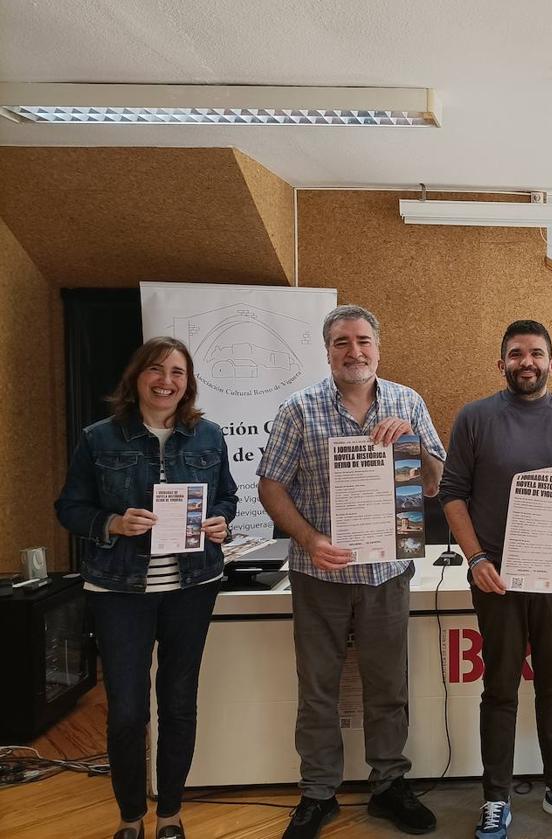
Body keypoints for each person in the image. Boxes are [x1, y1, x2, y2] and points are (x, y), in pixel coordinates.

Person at [258, 305, 446, 839]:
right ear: (328, 351)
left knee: (388, 687)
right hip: (320, 576)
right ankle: (318, 793)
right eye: (342, 342)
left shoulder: (408, 402)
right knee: (318, 689)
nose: (354, 351)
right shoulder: (300, 409)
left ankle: (389, 785)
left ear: (378, 349)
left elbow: (435, 481)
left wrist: (413, 442)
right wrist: (309, 539)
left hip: (386, 572)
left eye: (363, 341)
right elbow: (271, 484)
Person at [55, 337, 238, 839]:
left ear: (188, 383)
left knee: (179, 701)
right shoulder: (99, 438)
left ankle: (171, 815)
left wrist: (220, 521)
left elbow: (227, 496)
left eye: (178, 373)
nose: (167, 381)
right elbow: (69, 507)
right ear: (136, 378)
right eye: (157, 370)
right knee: (128, 711)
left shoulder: (209, 436)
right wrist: (112, 523)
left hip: (191, 585)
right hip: (118, 592)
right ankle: (131, 817)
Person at [440, 320, 552, 839]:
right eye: (516, 354)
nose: (526, 362)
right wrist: (475, 560)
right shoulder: (474, 418)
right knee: (501, 686)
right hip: (496, 579)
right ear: (502, 363)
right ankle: (496, 797)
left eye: (536, 353)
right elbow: (452, 495)